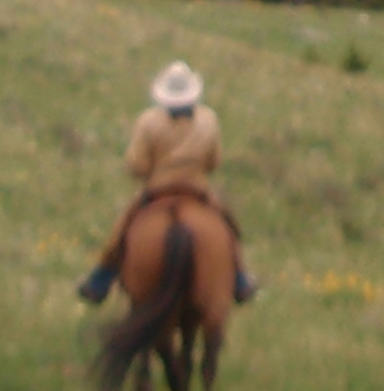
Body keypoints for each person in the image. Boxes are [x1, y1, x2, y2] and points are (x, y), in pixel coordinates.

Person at [79, 59, 257, 305]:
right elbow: (214, 162)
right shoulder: (209, 120)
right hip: (197, 189)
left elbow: (138, 166)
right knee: (228, 228)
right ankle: (239, 278)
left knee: (122, 229)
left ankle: (101, 279)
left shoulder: (148, 122)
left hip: (158, 190)